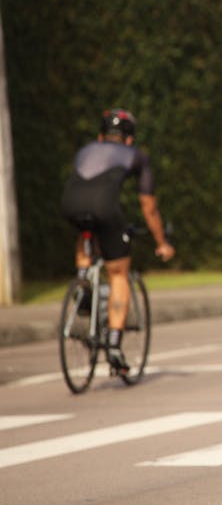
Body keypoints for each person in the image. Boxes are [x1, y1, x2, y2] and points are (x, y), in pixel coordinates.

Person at [61, 109, 175, 373]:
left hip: (69, 205)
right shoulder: (135, 156)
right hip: (104, 209)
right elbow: (148, 207)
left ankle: (83, 282)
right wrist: (162, 242)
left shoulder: (85, 151)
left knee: (85, 230)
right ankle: (113, 345)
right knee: (118, 273)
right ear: (129, 139)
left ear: (101, 136)